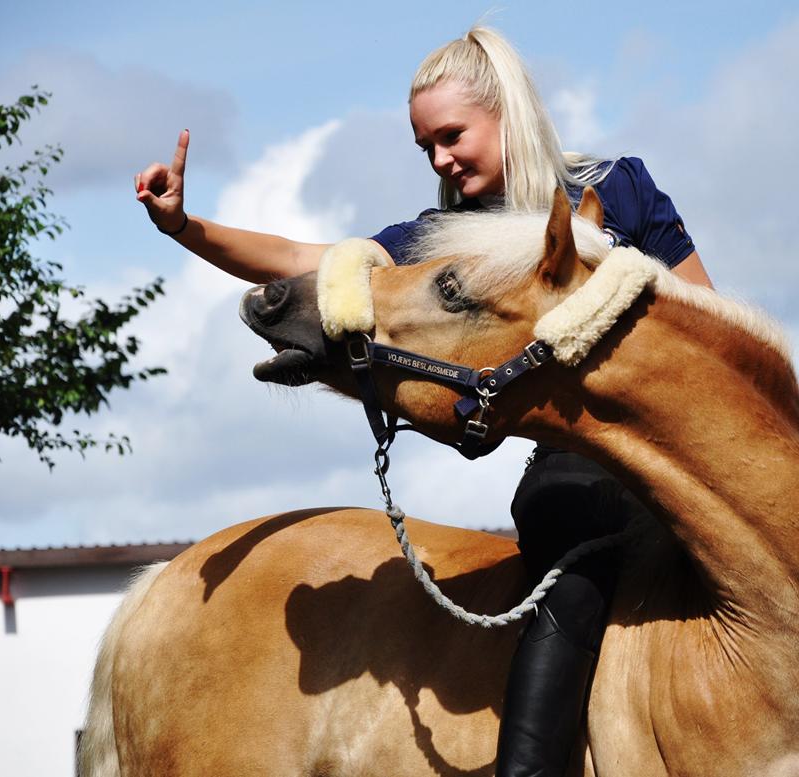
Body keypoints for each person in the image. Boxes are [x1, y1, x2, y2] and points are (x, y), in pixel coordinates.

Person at [135, 26, 712, 777]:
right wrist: (185, 226)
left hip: (679, 464)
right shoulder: (440, 242)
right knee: (572, 572)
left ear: (507, 112)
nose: (440, 159)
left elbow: (707, 322)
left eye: (451, 136)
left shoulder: (622, 187)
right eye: (425, 147)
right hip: (581, 479)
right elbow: (307, 260)